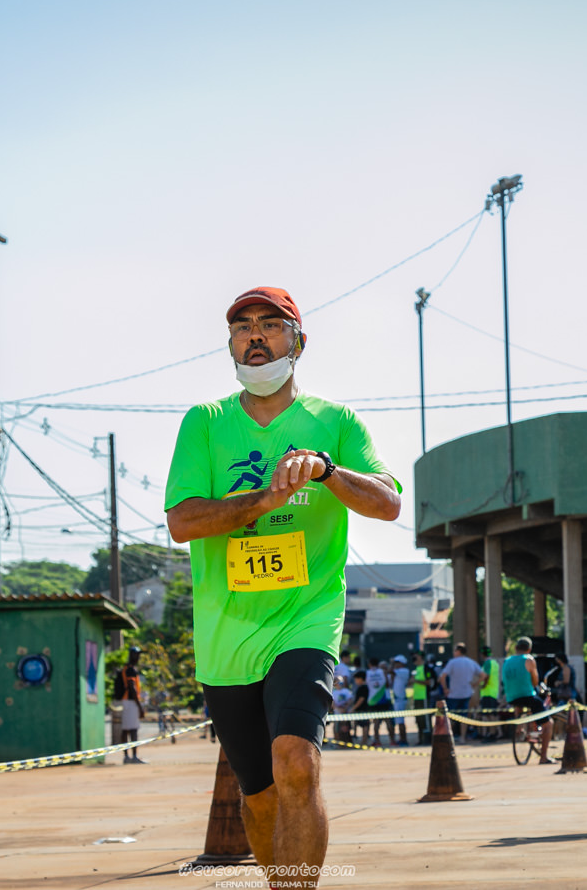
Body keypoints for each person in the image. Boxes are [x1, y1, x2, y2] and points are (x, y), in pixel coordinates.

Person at [164, 286, 401, 887]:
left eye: (271, 324)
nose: (255, 335)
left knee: (296, 762)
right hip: (227, 634)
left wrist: (325, 469)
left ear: (299, 342)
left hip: (306, 617)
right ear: (230, 344)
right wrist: (263, 500)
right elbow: (182, 521)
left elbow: (388, 503)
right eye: (243, 326)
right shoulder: (205, 422)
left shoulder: (335, 422)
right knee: (261, 793)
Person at [501, 637, 553, 764]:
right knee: (549, 724)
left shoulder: (507, 661)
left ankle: (520, 726)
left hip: (511, 698)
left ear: (515, 648)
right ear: (529, 649)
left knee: (520, 704)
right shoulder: (529, 659)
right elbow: (535, 682)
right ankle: (544, 757)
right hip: (527, 696)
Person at [440, 643, 484, 740]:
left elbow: (442, 677)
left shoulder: (452, 662)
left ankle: (449, 737)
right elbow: (483, 675)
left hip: (453, 694)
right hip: (467, 693)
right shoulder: (471, 662)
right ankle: (462, 737)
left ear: (458, 651)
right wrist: (475, 684)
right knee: (464, 717)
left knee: (450, 717)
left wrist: (445, 689)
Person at [114, 646, 147, 763]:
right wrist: (140, 707)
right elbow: (132, 688)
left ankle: (127, 756)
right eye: (136, 654)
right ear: (132, 655)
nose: (138, 657)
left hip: (127, 702)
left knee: (126, 729)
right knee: (133, 730)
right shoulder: (131, 670)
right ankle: (133, 757)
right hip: (130, 702)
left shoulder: (127, 668)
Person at [364, 656, 392, 747]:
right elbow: (387, 685)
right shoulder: (382, 672)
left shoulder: (367, 672)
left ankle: (377, 741)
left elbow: (366, 685)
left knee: (376, 723)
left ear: (369, 664)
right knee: (388, 721)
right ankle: (392, 740)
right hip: (383, 699)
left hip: (372, 701)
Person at [410, 652, 436, 746]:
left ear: (420, 657)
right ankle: (421, 738)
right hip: (417, 698)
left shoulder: (426, 668)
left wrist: (415, 681)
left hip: (424, 697)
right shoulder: (416, 669)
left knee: (426, 719)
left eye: (415, 656)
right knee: (418, 719)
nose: (414, 658)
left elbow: (429, 682)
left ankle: (428, 739)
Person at [478, 645, 502, 742]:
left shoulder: (487, 663)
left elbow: (486, 676)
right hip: (493, 692)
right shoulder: (494, 662)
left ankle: (492, 733)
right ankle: (493, 733)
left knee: (490, 715)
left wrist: (481, 685)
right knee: (491, 715)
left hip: (488, 692)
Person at [389, 655, 411, 746]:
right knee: (399, 721)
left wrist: (391, 663)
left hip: (400, 699)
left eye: (397, 662)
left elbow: (390, 671)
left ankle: (403, 740)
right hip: (398, 699)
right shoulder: (398, 672)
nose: (395, 664)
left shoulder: (404, 671)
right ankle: (402, 739)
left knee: (400, 721)